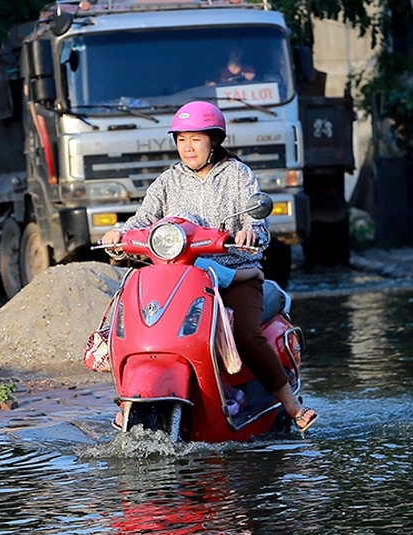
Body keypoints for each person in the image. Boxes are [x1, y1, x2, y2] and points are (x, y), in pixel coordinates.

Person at [102, 101, 318, 433]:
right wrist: (121, 233)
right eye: (181, 139)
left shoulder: (237, 174)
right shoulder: (167, 181)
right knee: (140, 326)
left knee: (246, 334)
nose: (187, 147)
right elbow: (143, 220)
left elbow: (257, 224)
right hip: (180, 275)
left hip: (234, 274)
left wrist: (248, 233)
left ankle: (292, 404)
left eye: (196, 139)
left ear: (213, 140)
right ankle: (133, 398)